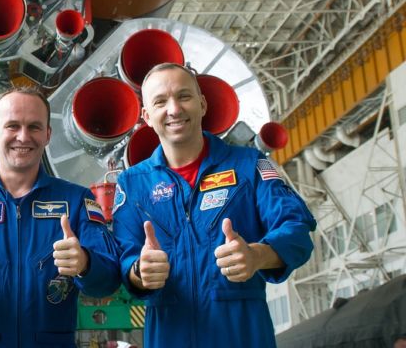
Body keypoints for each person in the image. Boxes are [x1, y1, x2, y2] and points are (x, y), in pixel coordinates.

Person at [111, 62, 316, 348]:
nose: (174, 109)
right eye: (160, 102)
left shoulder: (250, 164)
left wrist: (258, 255)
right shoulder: (132, 184)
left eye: (184, 96)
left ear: (202, 104)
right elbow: (123, 257)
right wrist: (139, 271)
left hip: (243, 336)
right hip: (171, 335)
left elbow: (296, 230)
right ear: (146, 116)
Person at [0, 86, 121, 347]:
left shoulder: (77, 201)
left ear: (48, 134)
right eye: (12, 126)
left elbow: (109, 280)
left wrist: (86, 264)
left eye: (35, 127)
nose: (23, 136)